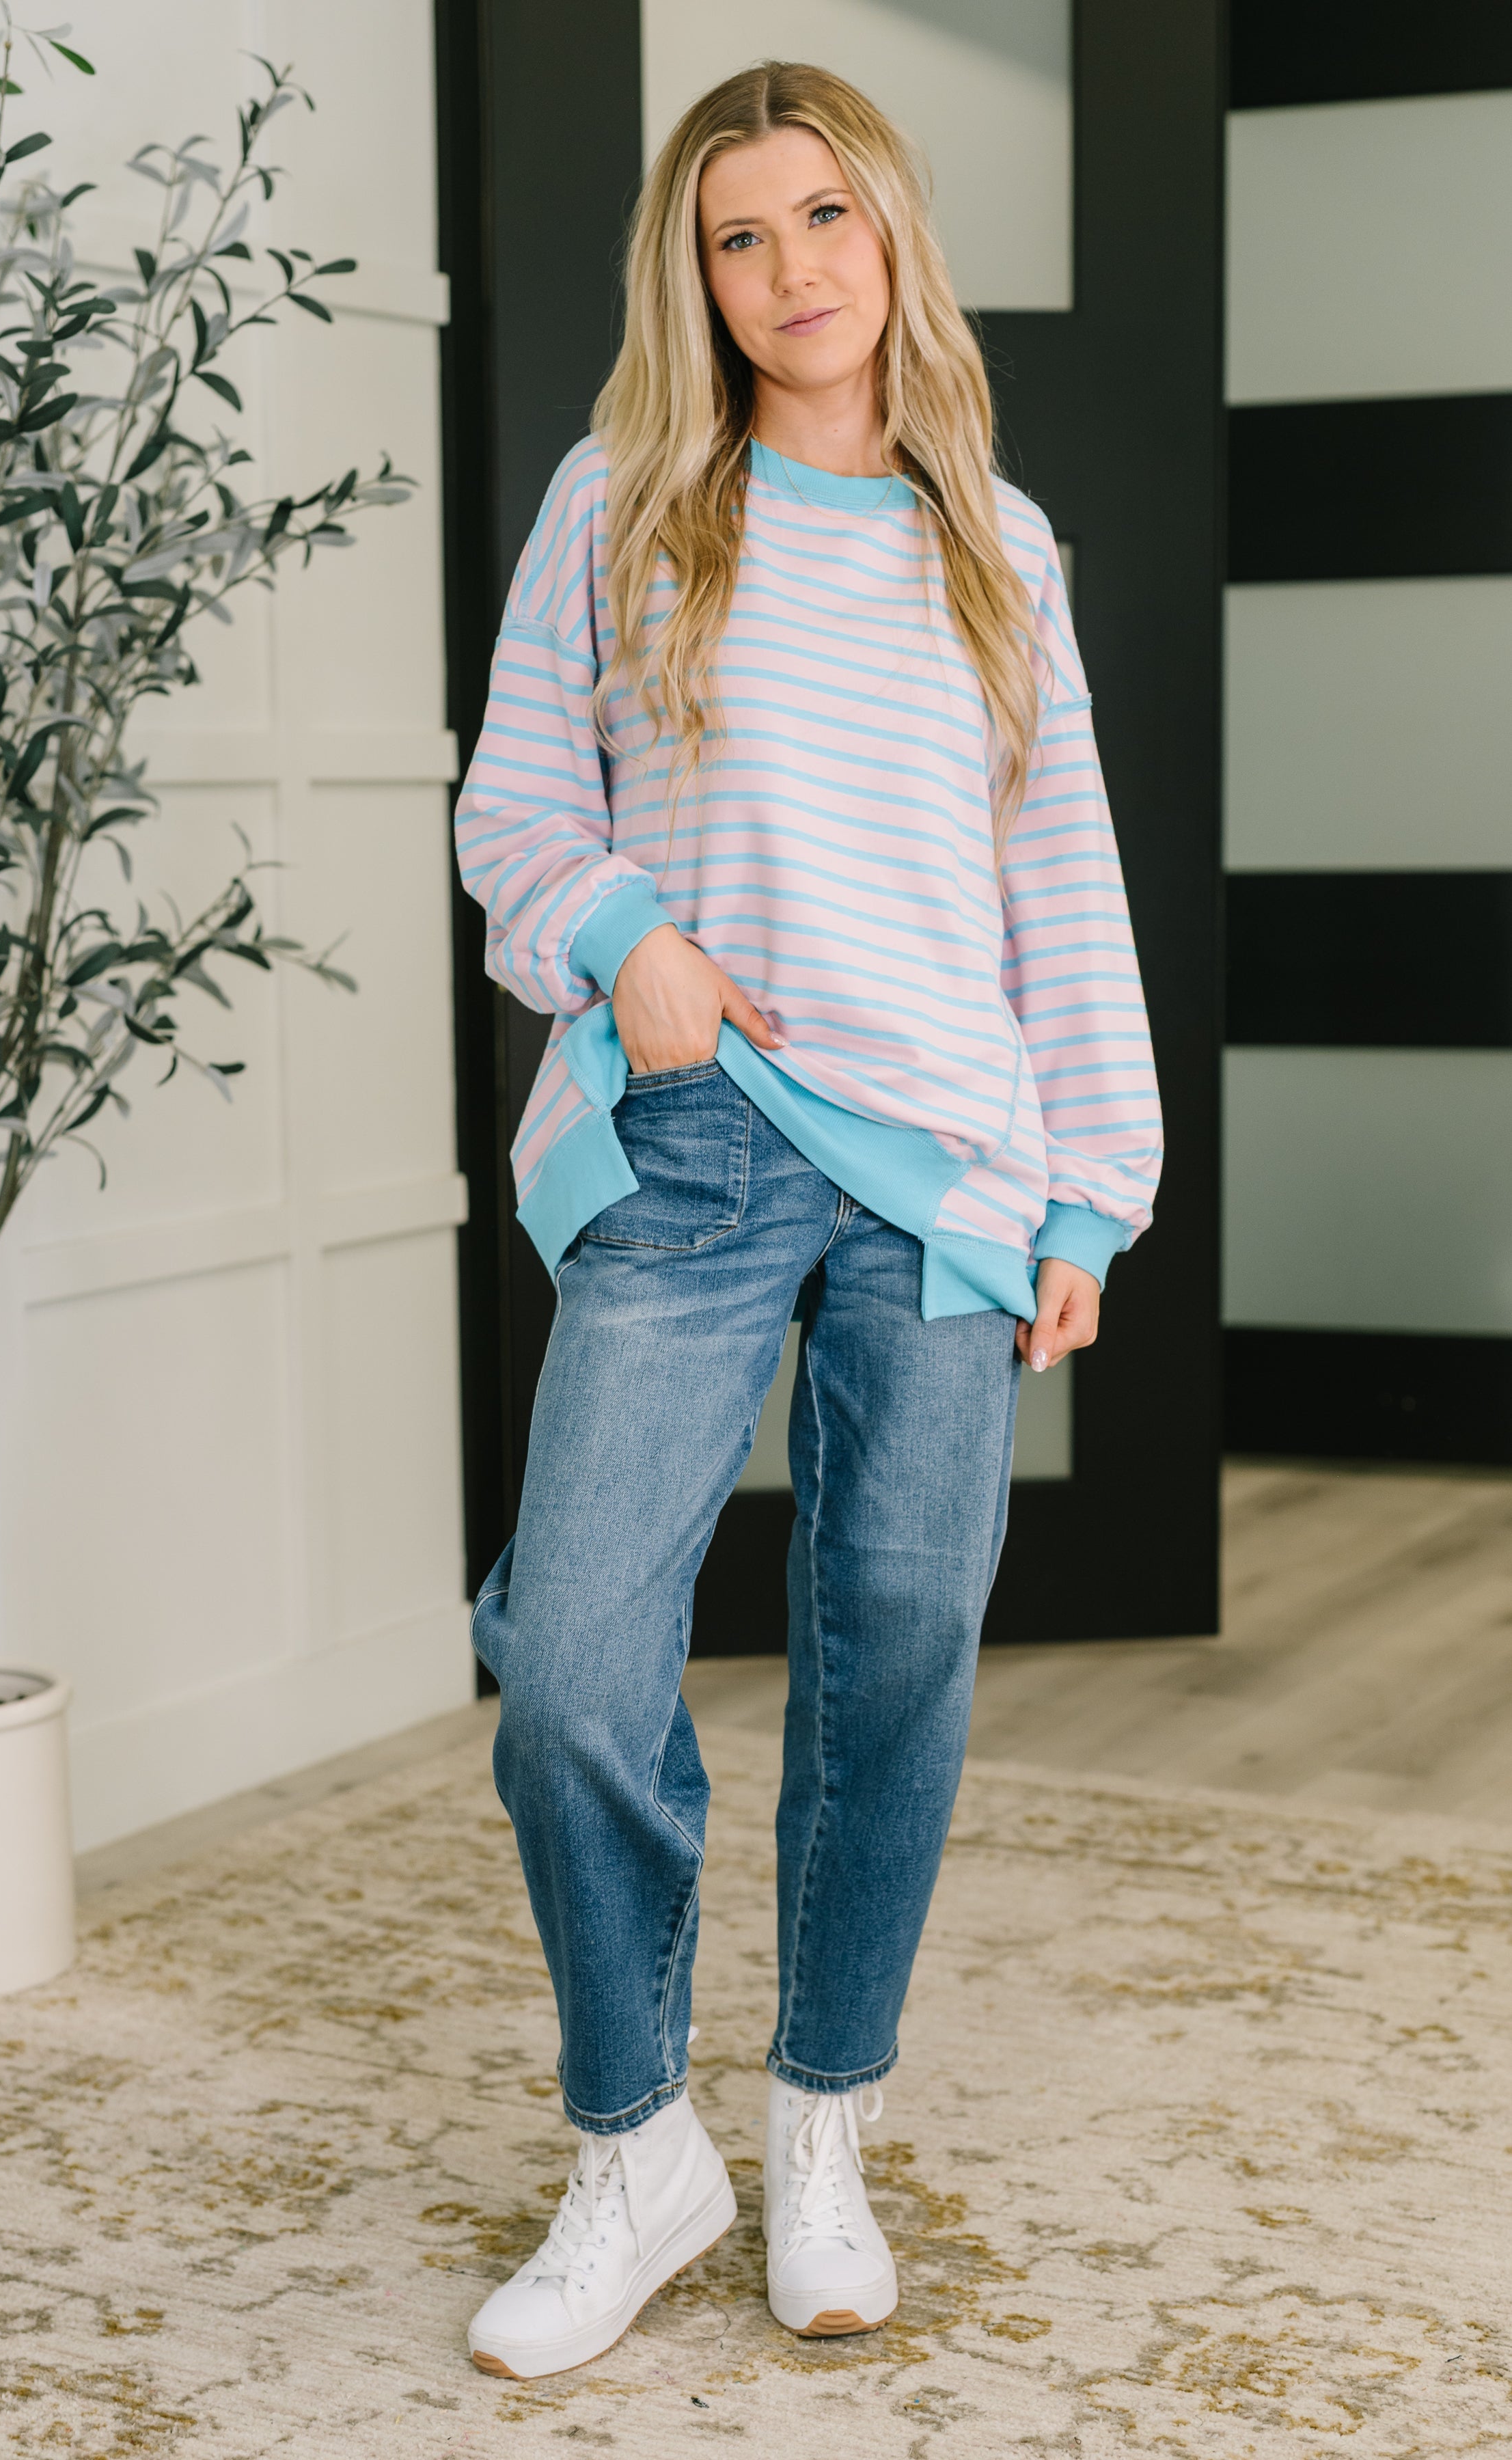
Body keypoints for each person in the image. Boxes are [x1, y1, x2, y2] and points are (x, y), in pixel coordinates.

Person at [453, 59, 1162, 2381]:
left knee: (893, 1667)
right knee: (568, 1657)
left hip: (946, 1171)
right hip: (698, 1128)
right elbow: (514, 818)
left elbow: (1057, 884)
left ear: (892, 236)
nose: (787, 274)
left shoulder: (998, 541)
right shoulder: (623, 497)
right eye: (737, 237)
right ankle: (636, 2144)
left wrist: (1091, 1186)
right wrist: (621, 942)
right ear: (697, 269)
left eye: (822, 219)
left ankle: (822, 2122)